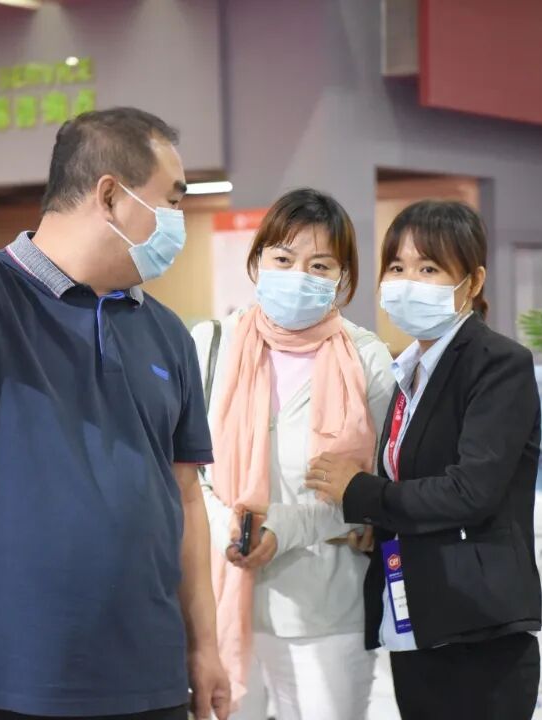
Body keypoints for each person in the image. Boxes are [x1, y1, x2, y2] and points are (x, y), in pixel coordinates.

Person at [0, 108, 230, 720]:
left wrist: (205, 646)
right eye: (171, 200)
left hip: (148, 681)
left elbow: (186, 497)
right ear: (110, 196)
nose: (178, 219)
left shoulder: (168, 333)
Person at [305, 200, 542, 720]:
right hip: (416, 621)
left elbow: (470, 491)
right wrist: (376, 525)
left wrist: (360, 492)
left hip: (478, 630)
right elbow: (412, 475)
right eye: (397, 267)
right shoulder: (408, 371)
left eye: (429, 268)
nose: (408, 282)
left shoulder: (498, 364)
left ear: (473, 281)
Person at [191, 189, 394, 720]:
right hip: (221, 598)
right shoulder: (212, 343)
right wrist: (229, 526)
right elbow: (189, 474)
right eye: (283, 259)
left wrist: (283, 526)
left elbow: (372, 491)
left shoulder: (367, 359)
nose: (299, 275)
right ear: (258, 261)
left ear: (342, 277)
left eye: (319, 265)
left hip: (327, 609)